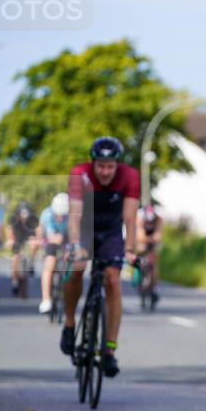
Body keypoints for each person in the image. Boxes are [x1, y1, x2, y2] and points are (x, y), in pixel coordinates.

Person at [61, 137, 139, 378]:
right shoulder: (79, 174)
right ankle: (70, 322)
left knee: (113, 280)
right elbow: (74, 216)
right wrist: (74, 245)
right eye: (101, 166)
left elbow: (129, 219)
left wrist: (129, 250)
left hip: (110, 232)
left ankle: (109, 351)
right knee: (77, 266)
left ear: (117, 165)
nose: (105, 171)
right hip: (84, 228)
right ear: (92, 163)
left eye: (110, 166)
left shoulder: (130, 176)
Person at [38, 193, 70, 314]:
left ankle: (67, 294)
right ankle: (46, 299)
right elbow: (50, 236)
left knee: (70, 261)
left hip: (66, 238)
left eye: (63, 215)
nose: (60, 218)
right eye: (58, 215)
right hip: (50, 239)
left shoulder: (72, 216)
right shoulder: (47, 215)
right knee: (49, 264)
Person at [6, 201, 41, 296]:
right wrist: (10, 240)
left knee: (34, 245)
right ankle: (15, 282)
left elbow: (38, 230)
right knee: (15, 259)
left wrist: (38, 240)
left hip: (29, 237)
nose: (24, 218)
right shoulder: (14, 219)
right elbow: (9, 229)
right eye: (22, 216)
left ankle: (31, 262)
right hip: (18, 239)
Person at [135, 204, 161, 306]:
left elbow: (158, 234)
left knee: (154, 261)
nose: (149, 223)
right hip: (142, 241)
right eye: (148, 221)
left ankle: (154, 285)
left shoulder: (158, 219)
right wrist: (145, 240)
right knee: (141, 250)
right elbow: (140, 235)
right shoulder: (140, 218)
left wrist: (155, 238)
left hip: (152, 242)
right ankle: (140, 277)